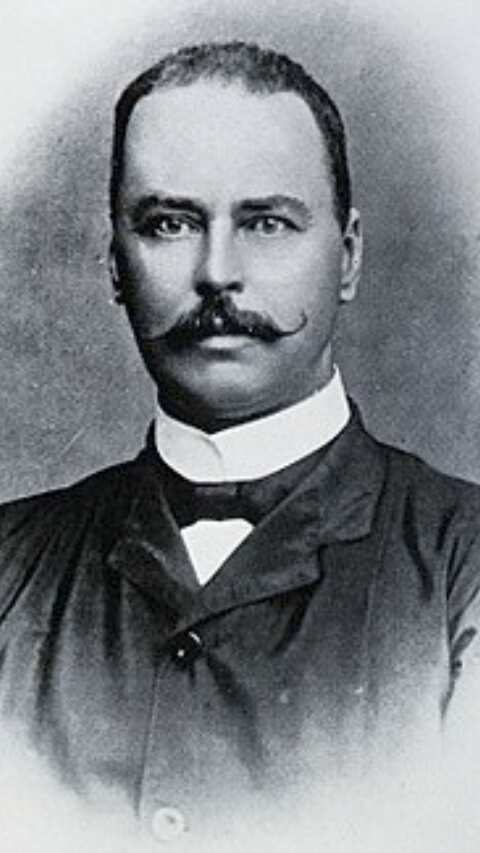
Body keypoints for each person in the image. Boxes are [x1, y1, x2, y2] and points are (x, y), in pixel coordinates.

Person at [0, 40, 480, 845]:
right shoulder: (10, 569)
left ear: (348, 257)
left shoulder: (464, 571)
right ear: (115, 263)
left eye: (266, 222)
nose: (217, 271)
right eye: (169, 223)